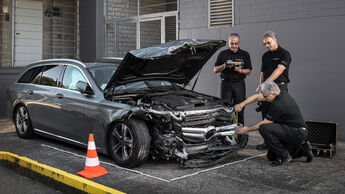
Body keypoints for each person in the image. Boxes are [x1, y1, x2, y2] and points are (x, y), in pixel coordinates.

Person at [235, 82, 314, 165]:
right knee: (271, 156)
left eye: (265, 97)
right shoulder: (279, 92)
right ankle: (303, 148)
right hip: (291, 130)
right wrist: (242, 104)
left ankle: (284, 155)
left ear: (272, 94)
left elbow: (262, 124)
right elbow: (257, 97)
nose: (264, 99)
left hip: (297, 132)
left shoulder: (278, 105)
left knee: (264, 128)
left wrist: (246, 130)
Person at [256, 31, 292, 150]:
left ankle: (280, 143)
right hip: (267, 88)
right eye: (265, 44)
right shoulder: (265, 56)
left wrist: (267, 83)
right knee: (266, 115)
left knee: (279, 116)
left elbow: (280, 69)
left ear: (275, 39)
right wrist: (261, 85)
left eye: (269, 42)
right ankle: (268, 142)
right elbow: (262, 72)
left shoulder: (284, 53)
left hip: (280, 87)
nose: (267, 45)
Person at [214, 33, 252, 125]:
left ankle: (240, 132)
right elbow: (215, 70)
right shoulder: (222, 54)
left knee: (240, 108)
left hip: (239, 84)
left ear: (239, 42)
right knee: (225, 108)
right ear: (228, 42)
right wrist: (224, 65)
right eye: (232, 44)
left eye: (236, 44)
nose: (234, 46)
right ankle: (226, 131)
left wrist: (239, 70)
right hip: (226, 84)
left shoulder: (245, 54)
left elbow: (249, 71)